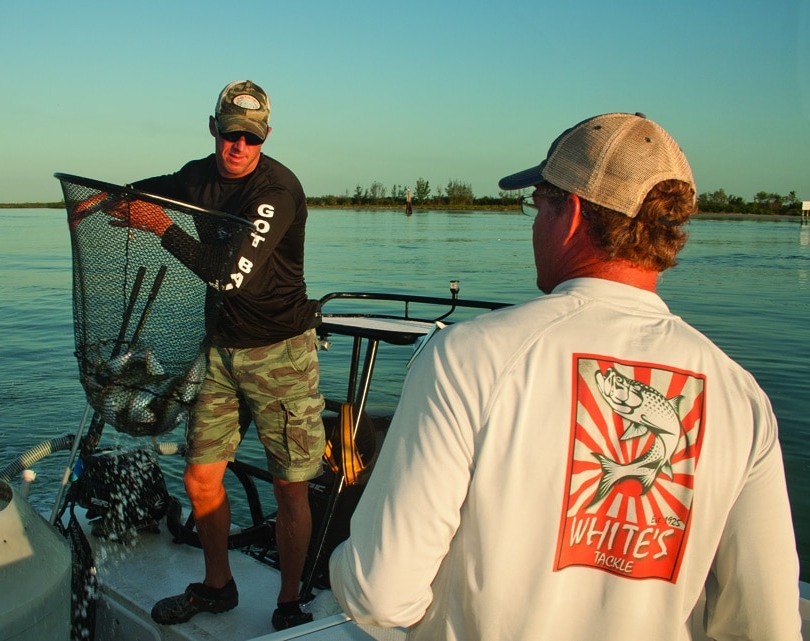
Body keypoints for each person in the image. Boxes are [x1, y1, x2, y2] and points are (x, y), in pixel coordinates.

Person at [328, 112, 801, 640]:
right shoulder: (741, 396)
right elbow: (767, 625)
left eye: (537, 207)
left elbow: (380, 595)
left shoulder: (466, 357)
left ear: (570, 214)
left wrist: (345, 559)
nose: (533, 226)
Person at [101, 79, 324, 632]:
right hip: (221, 354)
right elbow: (149, 190)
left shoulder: (277, 191)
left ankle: (290, 599)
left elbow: (227, 276)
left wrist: (165, 229)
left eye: (250, 138)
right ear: (214, 130)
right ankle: (218, 585)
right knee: (201, 477)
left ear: (265, 137)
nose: (238, 148)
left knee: (290, 485)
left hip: (279, 355)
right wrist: (99, 201)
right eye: (230, 135)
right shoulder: (196, 175)